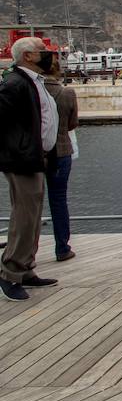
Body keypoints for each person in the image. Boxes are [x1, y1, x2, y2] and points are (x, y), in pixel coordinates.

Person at [0, 37, 60, 301]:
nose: (48, 55)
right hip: (22, 160)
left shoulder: (32, 82)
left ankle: (25, 268)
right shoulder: (14, 84)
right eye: (42, 51)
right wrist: (18, 149)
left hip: (36, 157)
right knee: (24, 217)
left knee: (33, 216)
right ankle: (9, 272)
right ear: (27, 56)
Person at [41, 52, 79, 262]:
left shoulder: (33, 91)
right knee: (59, 200)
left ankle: (29, 250)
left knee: (30, 204)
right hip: (62, 151)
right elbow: (73, 123)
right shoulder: (67, 93)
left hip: (34, 154)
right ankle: (62, 247)